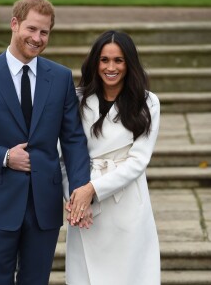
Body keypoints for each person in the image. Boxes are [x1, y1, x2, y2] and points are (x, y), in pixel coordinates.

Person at [0, 0, 91, 285]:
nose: (37, 38)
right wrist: (3, 156)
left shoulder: (61, 78)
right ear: (14, 24)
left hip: (44, 205)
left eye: (45, 32)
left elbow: (74, 140)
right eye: (32, 29)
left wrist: (79, 191)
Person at [64, 30, 161, 285]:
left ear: (129, 63)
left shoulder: (147, 102)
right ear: (95, 62)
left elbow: (138, 161)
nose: (111, 67)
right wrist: (75, 198)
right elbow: (64, 155)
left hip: (126, 201)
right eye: (104, 60)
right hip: (83, 202)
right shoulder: (77, 99)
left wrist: (92, 189)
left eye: (118, 60)